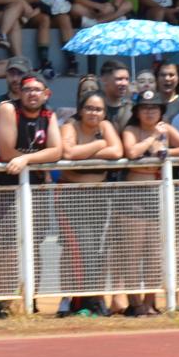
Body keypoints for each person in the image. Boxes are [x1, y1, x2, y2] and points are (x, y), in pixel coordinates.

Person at [0, 72, 62, 317]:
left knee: (35, 244)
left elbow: (56, 151)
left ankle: (31, 298)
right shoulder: (8, 109)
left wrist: (27, 158)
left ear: (46, 94)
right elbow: (7, 150)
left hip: (34, 186)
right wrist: (29, 159)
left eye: (37, 90)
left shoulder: (49, 115)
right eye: (27, 89)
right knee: (8, 245)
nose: (32, 94)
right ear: (19, 92)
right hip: (7, 186)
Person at [117, 90, 179, 316]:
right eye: (144, 108)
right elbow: (132, 152)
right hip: (134, 197)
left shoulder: (167, 129)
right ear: (137, 111)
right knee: (132, 252)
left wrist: (167, 151)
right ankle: (135, 303)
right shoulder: (132, 130)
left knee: (154, 252)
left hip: (158, 196)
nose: (150, 112)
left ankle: (150, 301)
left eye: (154, 107)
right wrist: (152, 139)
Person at [55, 91, 124, 316]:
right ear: (81, 109)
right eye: (89, 108)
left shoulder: (105, 127)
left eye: (98, 109)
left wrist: (85, 152)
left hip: (98, 198)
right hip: (71, 198)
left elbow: (117, 151)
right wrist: (99, 146)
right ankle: (71, 301)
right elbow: (67, 152)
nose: (94, 113)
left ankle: (93, 298)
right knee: (76, 249)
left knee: (97, 250)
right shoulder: (70, 126)